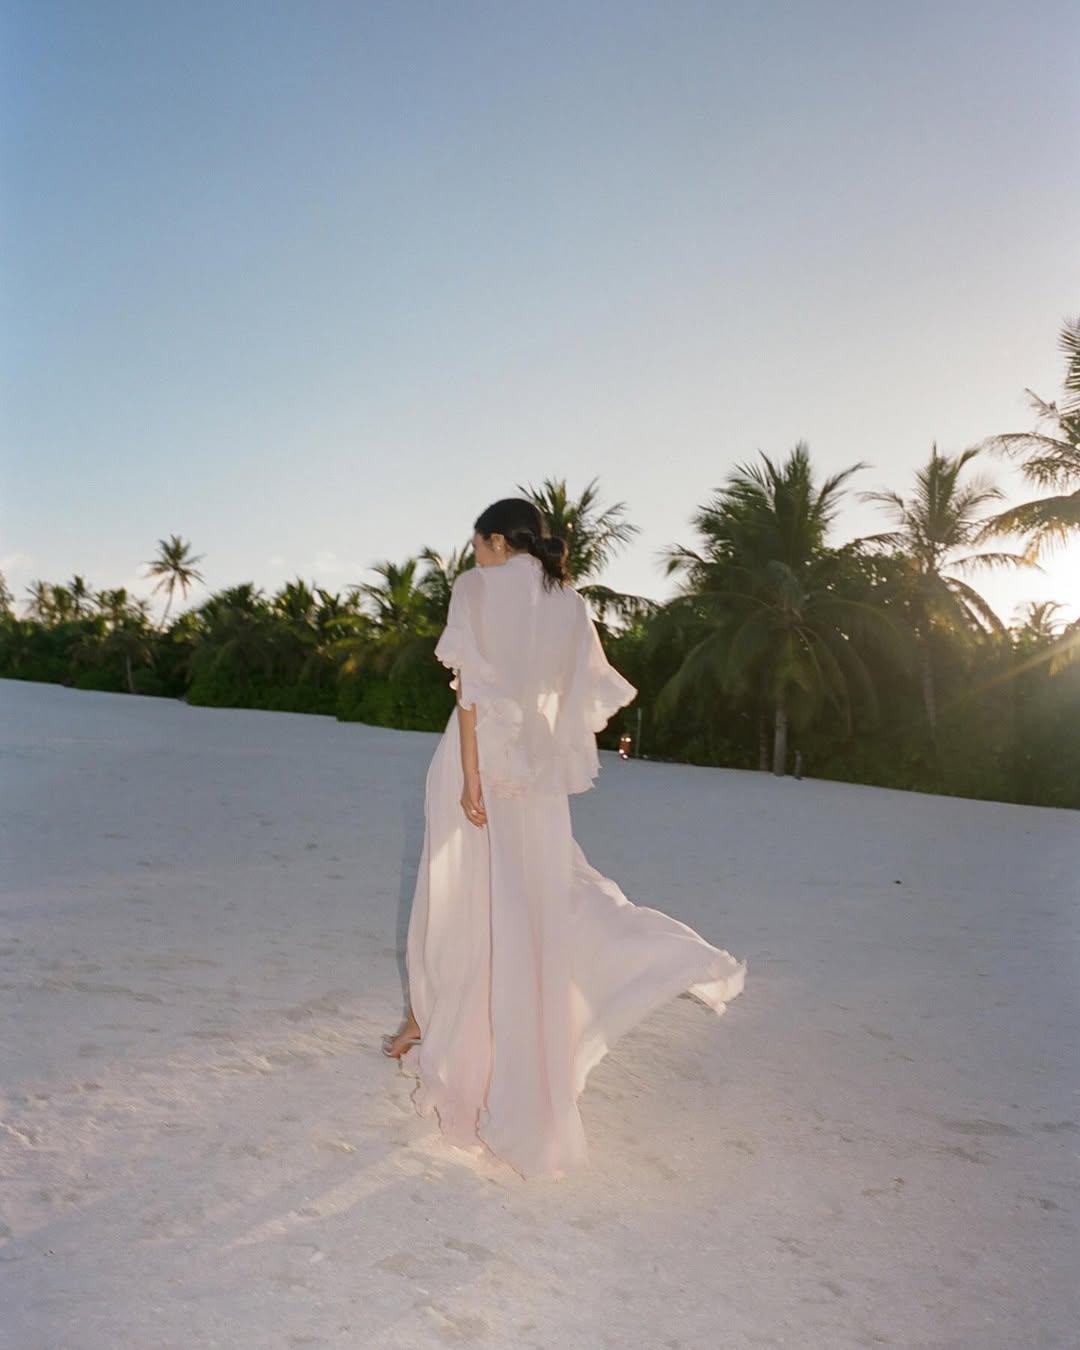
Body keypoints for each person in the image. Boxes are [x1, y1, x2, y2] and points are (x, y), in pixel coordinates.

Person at [383, 498, 747, 1179]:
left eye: (478, 544)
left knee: (460, 899)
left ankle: (434, 1023)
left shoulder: (475, 588)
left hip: (478, 763)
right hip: (538, 775)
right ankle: (661, 954)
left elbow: (469, 693)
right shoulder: (570, 604)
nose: (475, 555)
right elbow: (571, 699)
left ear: (497, 541)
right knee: (538, 904)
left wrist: (470, 775)